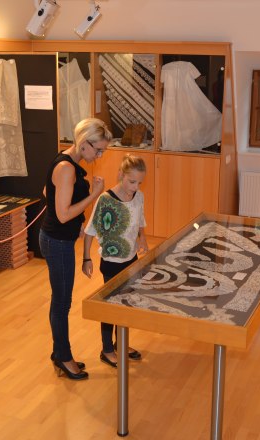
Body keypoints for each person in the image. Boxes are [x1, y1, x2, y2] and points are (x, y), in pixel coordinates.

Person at [40, 117, 111, 380]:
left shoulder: (66, 160)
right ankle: (63, 356)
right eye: (98, 149)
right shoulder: (67, 168)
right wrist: (94, 194)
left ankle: (60, 352)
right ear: (84, 143)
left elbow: (47, 191)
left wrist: (78, 226)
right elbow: (61, 214)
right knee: (61, 303)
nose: (99, 155)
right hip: (57, 242)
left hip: (59, 239)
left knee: (60, 300)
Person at [82, 154, 149, 368]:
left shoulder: (139, 196)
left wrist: (143, 239)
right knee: (110, 306)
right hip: (111, 261)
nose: (135, 186)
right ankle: (107, 349)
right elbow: (90, 230)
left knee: (126, 305)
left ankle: (121, 343)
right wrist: (86, 258)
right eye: (132, 181)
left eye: (139, 182)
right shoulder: (106, 200)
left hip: (131, 259)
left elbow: (140, 220)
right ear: (121, 175)